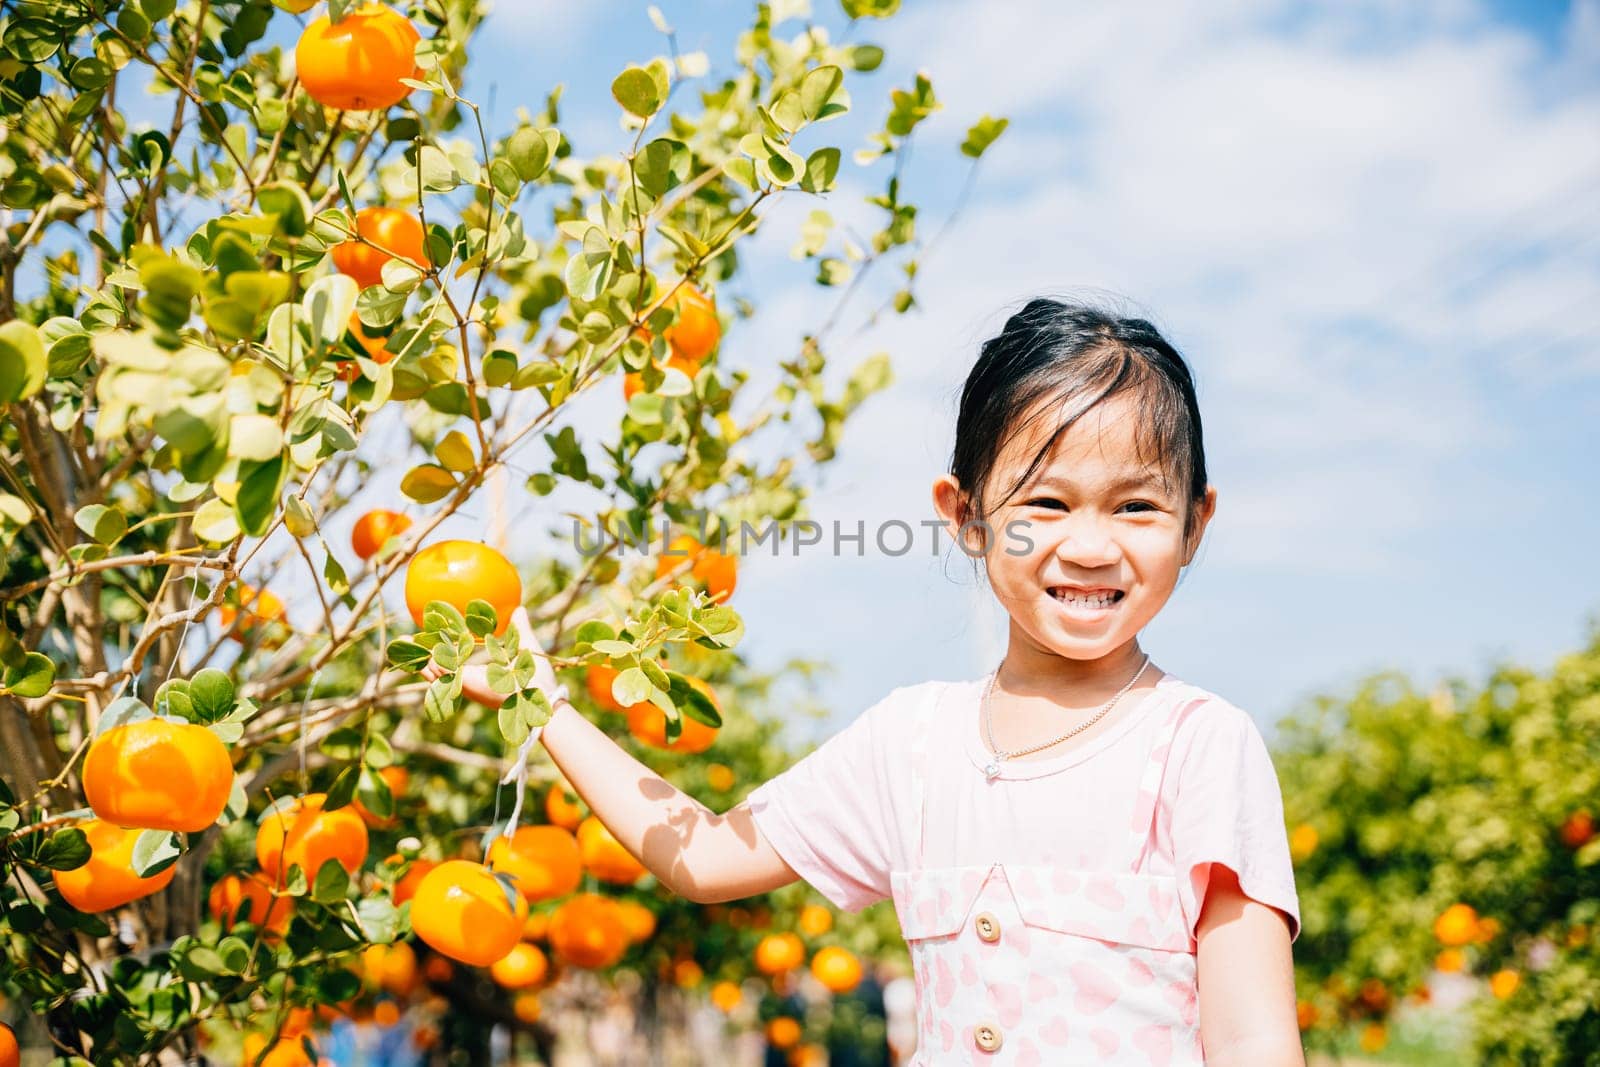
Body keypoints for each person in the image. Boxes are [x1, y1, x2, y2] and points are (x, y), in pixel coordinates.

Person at [436, 297, 1305, 1064]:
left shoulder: (1197, 745)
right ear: (966, 515)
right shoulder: (914, 745)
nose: (1087, 543)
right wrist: (538, 701)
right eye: (1044, 503)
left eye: (1136, 505)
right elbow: (701, 855)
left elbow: (1252, 1040)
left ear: (1196, 523)